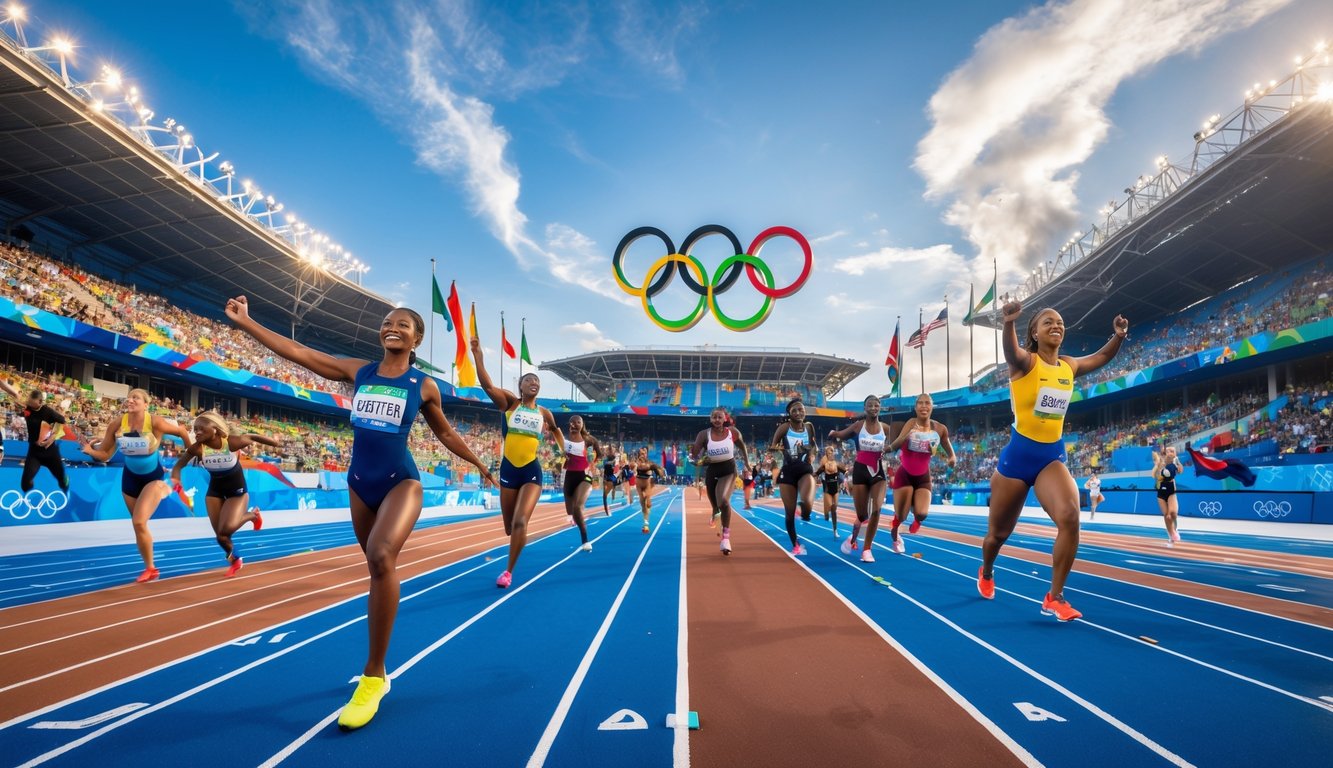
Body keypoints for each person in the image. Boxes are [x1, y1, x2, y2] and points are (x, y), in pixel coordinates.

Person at [226, 295, 495, 731]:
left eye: (403, 324)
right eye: (387, 322)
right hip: (358, 485)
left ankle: (373, 676)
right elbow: (300, 352)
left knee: (382, 556)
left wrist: (479, 464)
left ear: (417, 339)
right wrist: (247, 323)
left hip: (401, 481)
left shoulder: (423, 385)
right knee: (374, 567)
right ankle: (379, 672)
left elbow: (445, 433)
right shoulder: (360, 371)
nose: (392, 327)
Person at [977, 300, 1128, 622]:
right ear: (1034, 332)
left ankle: (1054, 597)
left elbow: (1101, 357)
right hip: (1017, 459)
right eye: (1048, 322)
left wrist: (1118, 337)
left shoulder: (1068, 366)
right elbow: (1010, 352)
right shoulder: (1025, 363)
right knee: (997, 536)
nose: (1056, 325)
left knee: (1070, 516)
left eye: (1059, 322)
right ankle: (987, 570)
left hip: (1050, 457)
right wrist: (1008, 323)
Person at [472, 337, 563, 587]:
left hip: (531, 471)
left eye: (537, 381)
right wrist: (478, 356)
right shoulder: (510, 404)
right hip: (508, 470)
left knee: (521, 522)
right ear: (520, 386)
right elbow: (487, 386)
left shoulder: (544, 413)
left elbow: (556, 430)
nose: (534, 383)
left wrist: (564, 451)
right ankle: (517, 538)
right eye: (529, 380)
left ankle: (508, 572)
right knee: (509, 528)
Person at [78, 388, 192, 583]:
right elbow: (105, 455)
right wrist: (90, 451)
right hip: (130, 479)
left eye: (136, 398)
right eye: (129, 397)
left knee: (138, 522)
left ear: (146, 404)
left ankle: (151, 568)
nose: (130, 400)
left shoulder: (155, 421)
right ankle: (150, 568)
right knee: (139, 525)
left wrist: (191, 455)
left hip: (152, 478)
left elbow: (181, 431)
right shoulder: (117, 424)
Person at [169, 410, 281, 577]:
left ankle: (253, 515)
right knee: (221, 537)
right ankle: (235, 560)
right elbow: (179, 466)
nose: (196, 432)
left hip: (237, 491)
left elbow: (252, 436)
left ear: (214, 429)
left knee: (225, 530)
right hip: (215, 491)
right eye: (195, 429)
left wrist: (274, 442)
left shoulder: (230, 443)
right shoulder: (197, 449)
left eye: (201, 429)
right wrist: (176, 481)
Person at [882, 393, 956, 555]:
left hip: (923, 477)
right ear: (915, 407)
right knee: (901, 516)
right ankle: (895, 528)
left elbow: (948, 447)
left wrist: (952, 457)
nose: (924, 406)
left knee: (922, 514)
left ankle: (916, 517)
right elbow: (900, 440)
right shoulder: (911, 423)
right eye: (920, 403)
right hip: (905, 475)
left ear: (932, 406)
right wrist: (889, 448)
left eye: (927, 403)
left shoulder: (940, 429)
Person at [828, 395, 891, 561]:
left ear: (880, 408)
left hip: (878, 472)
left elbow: (898, 441)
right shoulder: (858, 426)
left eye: (876, 405)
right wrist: (833, 433)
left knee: (876, 510)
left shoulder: (885, 428)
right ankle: (853, 538)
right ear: (865, 408)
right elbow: (842, 434)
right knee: (862, 516)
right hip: (860, 472)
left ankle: (867, 549)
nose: (873, 408)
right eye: (870, 405)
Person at [689, 407, 750, 555]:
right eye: (714, 417)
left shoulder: (733, 432)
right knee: (716, 508)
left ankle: (725, 538)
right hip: (712, 471)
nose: (717, 420)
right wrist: (699, 461)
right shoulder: (703, 434)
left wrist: (747, 463)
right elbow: (693, 457)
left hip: (728, 470)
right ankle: (715, 512)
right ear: (710, 419)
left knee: (723, 501)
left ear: (725, 419)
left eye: (719, 417)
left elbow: (743, 447)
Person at [1, 380, 70, 495]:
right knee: (25, 484)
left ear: (40, 402)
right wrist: (2, 385)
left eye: (32, 404)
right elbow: (15, 395)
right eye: (29, 402)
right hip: (34, 453)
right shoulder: (28, 408)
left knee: (62, 480)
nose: (29, 406)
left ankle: (66, 491)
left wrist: (52, 437)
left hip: (50, 453)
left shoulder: (48, 412)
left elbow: (62, 421)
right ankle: (30, 498)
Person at [770, 398, 816, 556]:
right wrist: (785, 449)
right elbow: (772, 447)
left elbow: (813, 446)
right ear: (789, 414)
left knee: (807, 503)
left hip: (804, 469)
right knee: (789, 514)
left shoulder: (809, 427)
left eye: (801, 409)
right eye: (794, 410)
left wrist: (810, 453)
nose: (798, 412)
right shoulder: (784, 427)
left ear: (805, 411)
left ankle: (805, 511)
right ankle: (795, 544)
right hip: (788, 471)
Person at [561, 415, 601, 552]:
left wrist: (593, 465)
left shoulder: (589, 440)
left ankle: (585, 540)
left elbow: (599, 454)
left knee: (577, 507)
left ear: (582, 424)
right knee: (571, 511)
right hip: (569, 476)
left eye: (578, 422)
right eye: (573, 422)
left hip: (585, 476)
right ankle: (578, 516)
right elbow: (559, 456)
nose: (575, 424)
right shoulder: (564, 440)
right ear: (569, 424)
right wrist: (562, 457)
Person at [1152, 447, 1183, 545]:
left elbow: (1180, 471)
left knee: (1173, 513)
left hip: (1171, 490)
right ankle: (1171, 534)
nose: (1169, 453)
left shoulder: (1173, 461)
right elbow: (1154, 475)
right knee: (1166, 515)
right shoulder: (1160, 462)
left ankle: (1175, 528)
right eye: (1168, 451)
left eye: (1172, 451)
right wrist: (1157, 466)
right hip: (1161, 491)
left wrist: (1177, 462)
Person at [630, 447, 665, 532]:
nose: (643, 455)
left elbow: (659, 470)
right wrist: (633, 467)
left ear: (647, 454)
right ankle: (645, 523)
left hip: (647, 484)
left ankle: (646, 523)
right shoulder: (636, 463)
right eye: (641, 453)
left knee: (648, 503)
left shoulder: (650, 463)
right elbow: (631, 467)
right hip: (639, 485)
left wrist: (661, 473)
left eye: (644, 453)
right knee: (642, 503)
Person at [815, 445, 846, 538]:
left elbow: (845, 471)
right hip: (828, 489)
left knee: (834, 508)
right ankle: (826, 513)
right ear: (826, 455)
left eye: (832, 453)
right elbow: (816, 473)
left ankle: (835, 530)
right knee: (830, 506)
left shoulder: (837, 464)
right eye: (829, 453)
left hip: (835, 489)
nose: (831, 454)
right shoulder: (824, 466)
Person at [600, 447, 619, 515]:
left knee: (605, 494)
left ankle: (612, 499)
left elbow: (615, 469)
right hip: (607, 477)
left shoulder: (614, 459)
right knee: (604, 495)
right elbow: (603, 467)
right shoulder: (606, 460)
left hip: (610, 477)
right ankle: (607, 510)